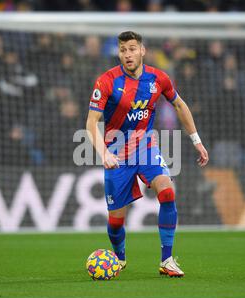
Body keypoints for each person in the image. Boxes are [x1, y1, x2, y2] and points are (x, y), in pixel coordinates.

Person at [86, 31, 209, 277]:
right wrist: (104, 154)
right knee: (116, 222)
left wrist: (196, 140)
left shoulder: (158, 78)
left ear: (142, 51)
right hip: (116, 153)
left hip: (145, 148)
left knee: (166, 190)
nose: (127, 54)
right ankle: (119, 258)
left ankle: (167, 260)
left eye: (132, 49)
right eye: (123, 50)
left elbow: (179, 104)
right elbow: (91, 122)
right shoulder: (107, 81)